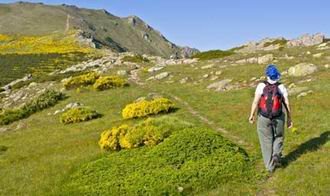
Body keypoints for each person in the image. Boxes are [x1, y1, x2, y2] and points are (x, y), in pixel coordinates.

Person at [248, 64, 293, 172]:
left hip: (263, 117)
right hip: (278, 116)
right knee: (279, 136)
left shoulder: (261, 86)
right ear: (277, 75)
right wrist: (289, 118)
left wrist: (252, 115)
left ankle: (270, 167)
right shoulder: (281, 87)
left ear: (267, 75)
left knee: (265, 141)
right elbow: (286, 103)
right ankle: (277, 154)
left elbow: (255, 102)